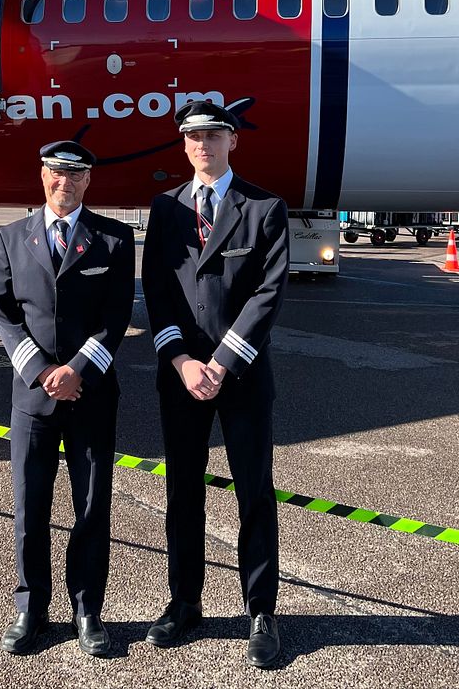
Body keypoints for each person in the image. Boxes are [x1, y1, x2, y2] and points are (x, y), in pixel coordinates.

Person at [141, 101, 289, 669]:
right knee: (183, 492)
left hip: (243, 375)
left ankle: (261, 609)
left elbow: (268, 295)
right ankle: (184, 603)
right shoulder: (165, 209)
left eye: (213, 134)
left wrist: (222, 361)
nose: (203, 144)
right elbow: (158, 290)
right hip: (182, 377)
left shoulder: (263, 208)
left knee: (254, 492)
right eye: (193, 136)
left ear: (233, 142)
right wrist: (181, 361)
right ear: (184, 146)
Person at [0, 140, 135, 657]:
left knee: (91, 508)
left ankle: (88, 609)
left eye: (75, 176)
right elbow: (4, 313)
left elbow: (117, 316)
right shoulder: (9, 237)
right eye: (56, 173)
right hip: (33, 399)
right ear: (42, 173)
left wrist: (76, 370)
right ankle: (31, 607)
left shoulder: (114, 239)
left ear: (88, 182)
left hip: (92, 395)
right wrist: (41, 370)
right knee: (30, 507)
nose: (64, 183)